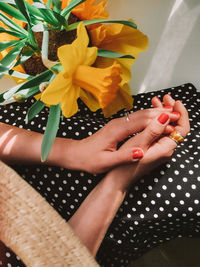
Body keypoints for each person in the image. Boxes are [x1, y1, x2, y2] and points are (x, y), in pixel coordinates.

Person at [0, 93, 190, 265]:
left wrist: (75, 151)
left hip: (28, 146)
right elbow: (64, 260)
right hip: (84, 227)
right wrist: (120, 178)